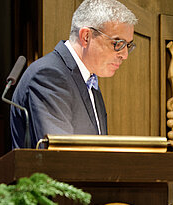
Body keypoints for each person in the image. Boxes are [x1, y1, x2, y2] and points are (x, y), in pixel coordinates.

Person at [10, 0, 137, 149]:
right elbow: (61, 155)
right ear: (86, 37)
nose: (125, 55)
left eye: (128, 45)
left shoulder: (89, 80)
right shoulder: (49, 75)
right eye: (118, 43)